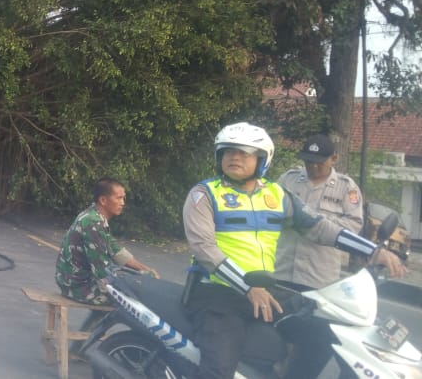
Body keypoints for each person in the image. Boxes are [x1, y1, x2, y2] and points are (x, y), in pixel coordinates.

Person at [182, 122, 406, 379]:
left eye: (245, 152)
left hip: (264, 291)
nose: (234, 156)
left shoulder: (277, 194)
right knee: (218, 370)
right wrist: (247, 287)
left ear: (262, 159)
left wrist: (375, 252)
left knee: (322, 333)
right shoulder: (204, 194)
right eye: (228, 151)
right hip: (216, 295)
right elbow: (204, 249)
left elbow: (320, 228)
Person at [56, 178, 159, 345]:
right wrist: (131, 288)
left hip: (74, 280)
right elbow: (102, 272)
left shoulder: (95, 216)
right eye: (119, 198)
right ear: (103, 200)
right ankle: (135, 346)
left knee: (127, 292)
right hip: (76, 285)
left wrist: (144, 269)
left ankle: (80, 347)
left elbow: (115, 249)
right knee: (132, 302)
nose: (123, 203)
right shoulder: (93, 223)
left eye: (123, 198)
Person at [276, 133, 364, 290]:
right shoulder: (288, 180)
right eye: (308, 161)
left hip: (319, 276)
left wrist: (318, 221)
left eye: (319, 162)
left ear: (334, 159)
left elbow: (354, 226)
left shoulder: (346, 188)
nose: (313, 166)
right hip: (282, 269)